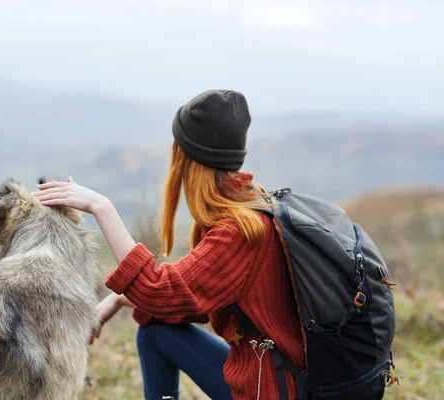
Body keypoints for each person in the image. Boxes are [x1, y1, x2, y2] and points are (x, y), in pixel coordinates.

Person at [32, 90, 305, 400]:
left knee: (155, 326)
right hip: (273, 378)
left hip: (269, 391)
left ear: (187, 158)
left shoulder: (239, 232)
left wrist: (101, 207)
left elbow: (159, 293)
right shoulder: (250, 204)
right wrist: (117, 301)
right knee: (156, 330)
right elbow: (188, 303)